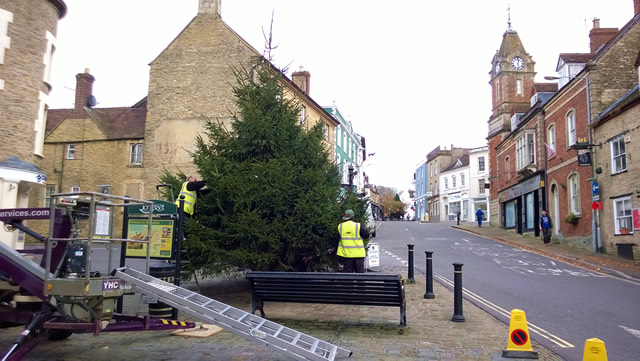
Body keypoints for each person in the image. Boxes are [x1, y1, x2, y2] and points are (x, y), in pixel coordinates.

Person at [337, 209, 370, 273]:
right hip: (358, 255)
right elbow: (366, 235)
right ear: (353, 217)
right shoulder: (358, 226)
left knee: (348, 277)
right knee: (360, 276)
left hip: (346, 255)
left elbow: (338, 237)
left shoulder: (340, 226)